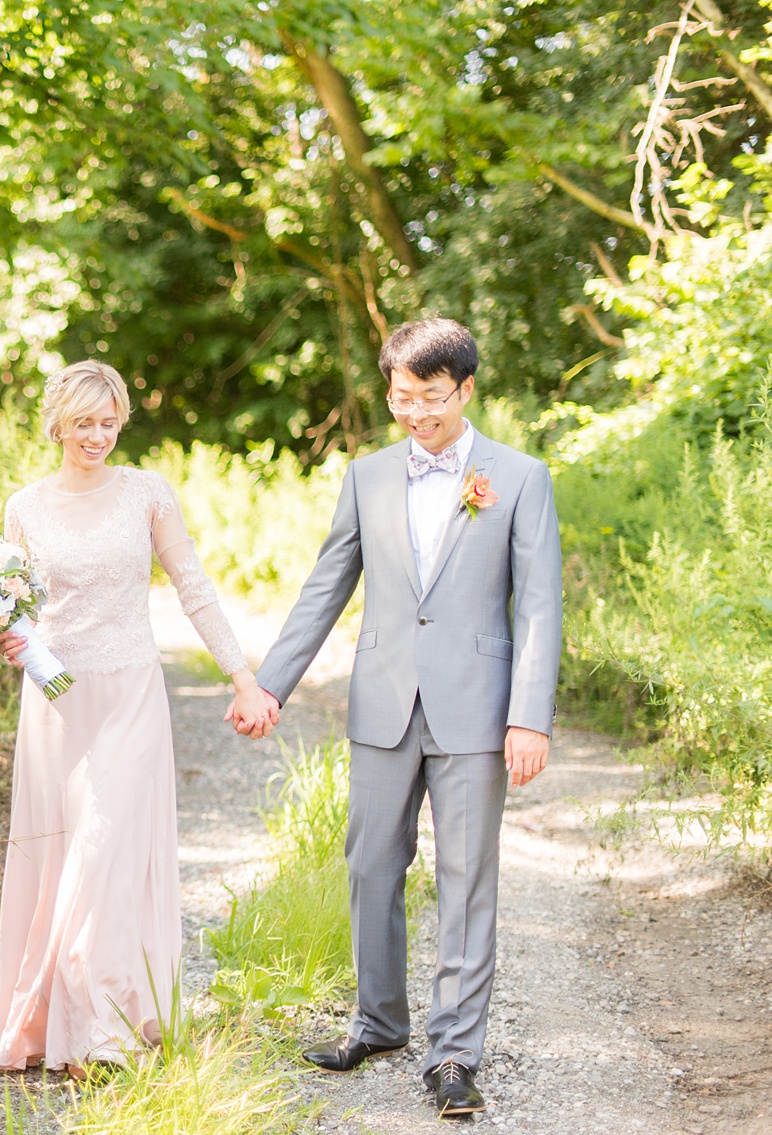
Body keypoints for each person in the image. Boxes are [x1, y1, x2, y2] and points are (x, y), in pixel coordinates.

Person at [241, 319, 562, 1117]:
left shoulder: (519, 478)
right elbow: (326, 586)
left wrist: (530, 716)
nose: (415, 412)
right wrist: (270, 683)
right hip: (382, 704)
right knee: (369, 866)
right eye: (401, 397)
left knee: (466, 880)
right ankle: (379, 1021)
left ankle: (454, 1054)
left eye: (430, 397)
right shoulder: (367, 476)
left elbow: (541, 608)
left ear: (466, 389)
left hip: (477, 710)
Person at [0, 359, 275, 1078]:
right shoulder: (25, 506)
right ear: (57, 423)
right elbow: (14, 611)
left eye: (110, 421)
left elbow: (196, 589)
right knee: (65, 856)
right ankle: (64, 1018)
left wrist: (245, 679)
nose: (99, 435)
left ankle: (103, 1031)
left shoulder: (147, 494)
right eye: (85, 422)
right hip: (58, 702)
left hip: (131, 695)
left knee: (106, 855)